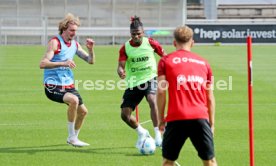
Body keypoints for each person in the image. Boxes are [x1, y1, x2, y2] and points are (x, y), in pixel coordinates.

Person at [157, 25, 217, 166]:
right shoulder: (204, 63)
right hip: (200, 117)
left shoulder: (165, 61)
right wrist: (212, 124)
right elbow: (210, 97)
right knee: (210, 161)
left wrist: (160, 119)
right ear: (192, 42)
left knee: (168, 161)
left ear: (174, 42)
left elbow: (161, 91)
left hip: (176, 117)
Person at [39, 13, 95, 147]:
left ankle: (74, 138)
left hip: (68, 86)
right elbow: (43, 63)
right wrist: (63, 63)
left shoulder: (75, 45)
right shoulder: (55, 42)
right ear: (64, 28)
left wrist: (91, 50)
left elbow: (90, 61)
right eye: (71, 30)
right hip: (53, 86)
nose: (74, 33)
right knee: (74, 100)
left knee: (83, 112)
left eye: (75, 31)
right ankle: (71, 137)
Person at [117, 16, 166, 148]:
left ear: (143, 33)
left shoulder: (151, 43)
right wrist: (121, 71)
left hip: (150, 78)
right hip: (133, 82)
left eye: (139, 34)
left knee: (152, 99)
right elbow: (120, 65)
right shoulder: (125, 48)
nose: (136, 36)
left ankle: (158, 135)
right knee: (125, 115)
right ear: (130, 34)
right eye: (134, 34)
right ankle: (142, 132)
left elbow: (165, 57)